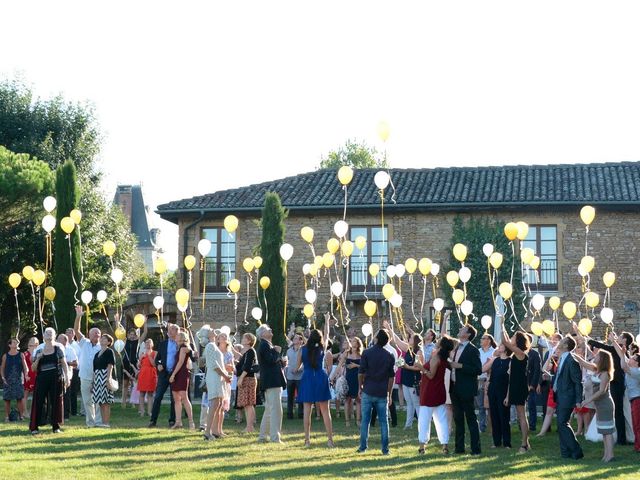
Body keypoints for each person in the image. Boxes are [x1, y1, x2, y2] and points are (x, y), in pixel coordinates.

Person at [587, 331, 634, 445]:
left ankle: (621, 439)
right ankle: (618, 436)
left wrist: (590, 341)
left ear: (625, 341)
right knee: (617, 411)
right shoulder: (617, 350)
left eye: (620, 337)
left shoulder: (621, 351)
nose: (618, 338)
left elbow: (602, 346)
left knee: (618, 411)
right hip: (615, 383)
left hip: (618, 383)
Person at [357, 329, 395, 455]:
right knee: (384, 422)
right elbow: (391, 377)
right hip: (382, 392)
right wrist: (389, 392)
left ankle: (363, 447)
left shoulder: (367, 353)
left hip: (368, 389)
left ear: (377, 339)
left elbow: (361, 372)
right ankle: (385, 449)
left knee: (365, 421)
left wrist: (360, 386)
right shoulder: (389, 356)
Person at [418, 334, 456, 455]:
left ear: (441, 345)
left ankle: (422, 446)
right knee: (442, 419)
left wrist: (421, 367)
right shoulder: (445, 359)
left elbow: (430, 375)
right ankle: (444, 445)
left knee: (424, 419)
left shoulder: (436, 358)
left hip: (429, 392)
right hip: (439, 392)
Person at [575, 349, 616, 462]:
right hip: (599, 405)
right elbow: (583, 363)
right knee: (603, 431)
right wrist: (572, 354)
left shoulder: (605, 374)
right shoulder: (596, 369)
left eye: (598, 355)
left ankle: (610, 455)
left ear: (602, 359)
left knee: (607, 431)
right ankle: (606, 454)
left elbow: (601, 391)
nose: (595, 356)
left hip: (605, 405)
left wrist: (587, 400)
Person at [296, 328, 334, 447]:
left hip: (307, 377)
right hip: (320, 377)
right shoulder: (322, 348)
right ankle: (330, 440)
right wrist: (327, 321)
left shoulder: (302, 350)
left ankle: (307, 440)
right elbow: (327, 335)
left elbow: (297, 367)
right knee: (325, 411)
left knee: (307, 410)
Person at [449, 324, 482, 455]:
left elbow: (477, 369)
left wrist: (460, 365)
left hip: (467, 389)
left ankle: (475, 449)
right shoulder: (457, 348)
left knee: (471, 419)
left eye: (462, 329)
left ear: (468, 334)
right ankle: (459, 448)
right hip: (455, 387)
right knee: (458, 418)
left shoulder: (473, 350)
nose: (459, 329)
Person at [29, 327, 69, 434]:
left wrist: (67, 378)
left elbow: (64, 364)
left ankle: (56, 427)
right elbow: (33, 368)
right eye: (47, 332)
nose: (49, 334)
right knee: (39, 401)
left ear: (54, 335)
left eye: (51, 333)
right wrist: (38, 358)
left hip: (56, 378)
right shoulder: (39, 350)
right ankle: (34, 427)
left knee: (56, 401)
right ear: (43, 336)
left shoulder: (58, 348)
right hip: (42, 378)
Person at [553, 335, 584, 460]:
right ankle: (565, 453)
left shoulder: (572, 361)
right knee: (560, 424)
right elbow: (561, 377)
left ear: (566, 345)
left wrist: (578, 400)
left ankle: (576, 451)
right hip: (560, 395)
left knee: (562, 423)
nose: (559, 342)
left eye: (562, 341)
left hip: (567, 396)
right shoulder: (562, 358)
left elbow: (577, 382)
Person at [502, 327, 531, 453]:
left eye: (514, 337)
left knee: (521, 415)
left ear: (518, 340)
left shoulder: (520, 353)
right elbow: (511, 377)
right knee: (520, 416)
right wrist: (508, 395)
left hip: (520, 387)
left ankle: (524, 444)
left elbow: (504, 341)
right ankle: (527, 443)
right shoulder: (515, 354)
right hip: (514, 386)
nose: (511, 338)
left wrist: (502, 323)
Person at [256, 324, 287, 443]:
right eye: (268, 329)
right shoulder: (264, 345)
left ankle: (262, 436)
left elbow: (272, 361)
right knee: (276, 411)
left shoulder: (266, 345)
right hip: (272, 381)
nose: (271, 330)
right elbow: (271, 360)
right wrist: (277, 352)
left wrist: (280, 360)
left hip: (271, 381)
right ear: (263, 334)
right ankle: (275, 438)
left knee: (269, 410)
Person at [73, 306, 103, 427]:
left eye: (99, 333)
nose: (97, 334)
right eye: (95, 333)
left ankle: (99, 421)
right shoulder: (84, 342)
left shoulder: (102, 347)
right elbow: (76, 330)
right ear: (89, 335)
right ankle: (90, 423)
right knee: (87, 401)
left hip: (98, 377)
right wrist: (78, 316)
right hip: (85, 376)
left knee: (98, 400)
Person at [611, 338, 640, 453]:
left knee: (638, 424)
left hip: (638, 400)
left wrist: (623, 355)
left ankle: (638, 446)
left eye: (633, 358)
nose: (630, 358)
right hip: (634, 400)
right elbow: (621, 355)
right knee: (635, 424)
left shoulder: (637, 371)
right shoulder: (632, 368)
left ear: (637, 363)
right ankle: (637, 446)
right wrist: (613, 341)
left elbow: (623, 365)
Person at [149, 323, 179, 428]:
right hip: (164, 374)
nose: (169, 332)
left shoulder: (180, 344)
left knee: (174, 399)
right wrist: (158, 364)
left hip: (176, 374)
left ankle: (172, 420)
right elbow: (157, 359)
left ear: (177, 332)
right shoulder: (163, 343)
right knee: (158, 397)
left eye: (172, 330)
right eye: (169, 330)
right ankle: (153, 420)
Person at [204, 329, 232, 440]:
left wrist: (225, 374)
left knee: (219, 404)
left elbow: (219, 363)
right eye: (211, 330)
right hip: (214, 377)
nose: (214, 330)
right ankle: (207, 432)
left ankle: (216, 431)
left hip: (219, 377)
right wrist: (225, 376)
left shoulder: (214, 346)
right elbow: (214, 364)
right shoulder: (210, 345)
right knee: (214, 403)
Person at [486, 343, 512, 448]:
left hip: (503, 391)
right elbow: (491, 375)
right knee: (494, 416)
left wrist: (507, 396)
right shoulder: (496, 360)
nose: (499, 347)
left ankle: (507, 443)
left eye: (501, 345)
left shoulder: (510, 361)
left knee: (504, 417)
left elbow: (510, 380)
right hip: (493, 391)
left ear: (506, 349)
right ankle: (496, 442)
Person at [169, 331, 195, 430]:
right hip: (177, 372)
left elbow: (180, 362)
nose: (175, 336)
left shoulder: (184, 347)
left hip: (181, 373)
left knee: (184, 398)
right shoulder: (179, 347)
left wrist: (173, 374)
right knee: (176, 399)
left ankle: (191, 422)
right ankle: (178, 422)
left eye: (177, 335)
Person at [91, 334, 116, 428]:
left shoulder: (109, 351)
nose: (102, 340)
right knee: (100, 401)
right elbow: (94, 369)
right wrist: (93, 382)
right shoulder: (97, 354)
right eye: (102, 338)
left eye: (105, 339)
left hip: (105, 376)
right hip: (97, 377)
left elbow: (110, 365)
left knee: (106, 401)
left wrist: (108, 378)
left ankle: (106, 423)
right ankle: (102, 422)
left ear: (109, 342)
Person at [2, 338, 29, 421]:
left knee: (19, 398)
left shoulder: (21, 355)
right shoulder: (5, 356)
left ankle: (21, 416)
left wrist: (26, 375)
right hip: (8, 380)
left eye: (17, 342)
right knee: (7, 399)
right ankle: (7, 417)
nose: (16, 343)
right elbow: (2, 368)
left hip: (18, 379)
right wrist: (3, 378)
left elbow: (25, 367)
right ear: (9, 345)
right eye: (14, 342)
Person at [236, 333, 258, 433]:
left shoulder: (250, 351)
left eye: (245, 338)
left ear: (249, 341)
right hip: (247, 378)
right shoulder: (246, 352)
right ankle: (250, 427)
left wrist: (241, 378)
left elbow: (247, 367)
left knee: (248, 404)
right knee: (248, 404)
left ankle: (249, 427)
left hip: (247, 379)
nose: (243, 339)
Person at [342, 337, 363, 428]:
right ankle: (347, 421)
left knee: (358, 400)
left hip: (358, 379)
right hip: (348, 379)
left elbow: (364, 367)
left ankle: (358, 420)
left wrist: (355, 365)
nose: (352, 342)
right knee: (347, 400)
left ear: (358, 344)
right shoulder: (346, 353)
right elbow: (340, 365)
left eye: (354, 341)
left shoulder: (361, 355)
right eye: (351, 341)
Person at [477, 334, 496, 433]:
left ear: (489, 341)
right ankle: (482, 426)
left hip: (489, 380)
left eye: (483, 338)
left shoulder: (494, 352)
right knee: (480, 406)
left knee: (489, 406)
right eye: (481, 338)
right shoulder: (478, 352)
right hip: (479, 380)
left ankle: (491, 426)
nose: (481, 340)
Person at [57, 334, 77, 420]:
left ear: (65, 341)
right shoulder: (55, 349)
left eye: (59, 340)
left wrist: (65, 363)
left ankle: (65, 415)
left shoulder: (70, 350)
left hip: (66, 375)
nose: (57, 341)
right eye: (57, 339)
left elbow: (76, 364)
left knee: (66, 395)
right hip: (56, 375)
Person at [285, 333, 304, 420]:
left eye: (297, 338)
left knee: (300, 396)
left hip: (300, 377)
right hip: (290, 376)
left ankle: (301, 413)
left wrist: (298, 369)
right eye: (294, 338)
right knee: (290, 396)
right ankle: (289, 414)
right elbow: (287, 362)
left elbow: (304, 363)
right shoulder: (289, 350)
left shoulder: (303, 350)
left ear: (301, 341)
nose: (295, 340)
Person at [137, 338, 158, 417]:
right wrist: (140, 359)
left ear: (152, 344)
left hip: (151, 373)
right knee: (141, 393)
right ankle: (142, 411)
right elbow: (139, 365)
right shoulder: (142, 353)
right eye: (146, 343)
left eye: (149, 343)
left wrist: (149, 355)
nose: (147, 344)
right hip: (143, 373)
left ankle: (150, 412)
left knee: (150, 393)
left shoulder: (155, 353)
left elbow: (153, 364)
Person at [526, 334, 542, 432]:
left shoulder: (534, 354)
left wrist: (532, 385)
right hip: (521, 383)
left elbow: (537, 370)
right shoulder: (519, 353)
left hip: (531, 383)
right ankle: (521, 424)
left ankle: (532, 425)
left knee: (531, 405)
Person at [65, 328, 81, 417]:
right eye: (66, 332)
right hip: (64, 370)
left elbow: (79, 358)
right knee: (66, 390)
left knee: (73, 391)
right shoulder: (62, 345)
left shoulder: (77, 346)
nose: (68, 334)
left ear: (73, 334)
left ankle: (74, 411)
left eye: (70, 332)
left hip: (74, 370)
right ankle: (66, 410)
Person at [23, 337, 39, 410]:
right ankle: (24, 411)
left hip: (36, 374)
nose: (33, 343)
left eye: (35, 343)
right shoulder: (25, 353)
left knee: (36, 394)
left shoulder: (39, 351)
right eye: (31, 342)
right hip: (28, 375)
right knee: (25, 394)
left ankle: (34, 410)